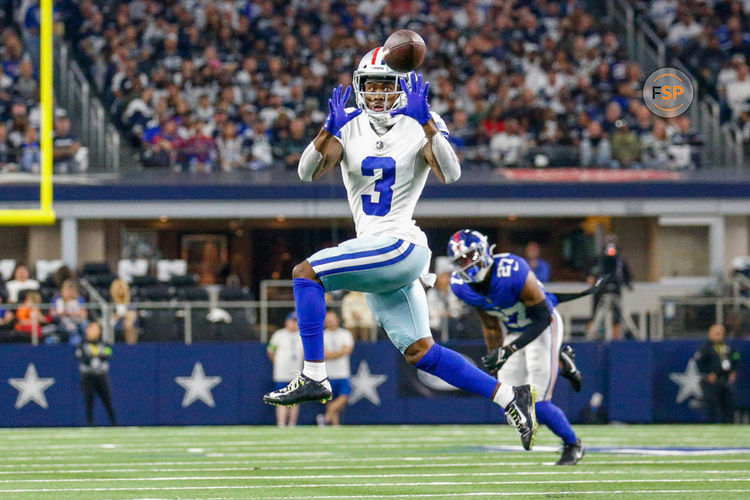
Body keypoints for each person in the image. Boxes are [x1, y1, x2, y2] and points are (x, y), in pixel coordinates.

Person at [263, 48, 538, 450]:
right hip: (376, 252)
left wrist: (427, 122)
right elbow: (306, 173)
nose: (376, 93)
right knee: (421, 352)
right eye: (370, 85)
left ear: (402, 87)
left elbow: (452, 172)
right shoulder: (350, 125)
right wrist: (326, 130)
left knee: (306, 272)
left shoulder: (418, 122)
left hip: (399, 244)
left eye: (386, 84)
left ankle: (315, 374)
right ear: (358, 86)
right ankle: (510, 396)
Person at [447, 229, 584, 465]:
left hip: (544, 327)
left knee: (538, 404)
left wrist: (508, 351)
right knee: (508, 401)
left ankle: (573, 444)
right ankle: (561, 364)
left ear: (485, 251)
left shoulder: (512, 270)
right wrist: (495, 357)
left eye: (471, 256)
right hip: (513, 331)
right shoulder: (461, 285)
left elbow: (542, 317)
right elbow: (490, 324)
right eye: (461, 260)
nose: (468, 264)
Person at [587, 235, 634, 340]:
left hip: (616, 288)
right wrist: (593, 277)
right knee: (595, 313)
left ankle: (615, 338)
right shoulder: (599, 260)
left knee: (617, 314)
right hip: (600, 288)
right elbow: (592, 273)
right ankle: (590, 336)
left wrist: (629, 283)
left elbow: (627, 275)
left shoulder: (620, 261)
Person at [695, 324, 740, 423]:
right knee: (711, 405)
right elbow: (699, 362)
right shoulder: (705, 348)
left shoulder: (727, 346)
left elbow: (736, 356)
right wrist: (708, 373)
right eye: (716, 333)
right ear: (710, 334)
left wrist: (734, 370)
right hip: (711, 381)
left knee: (728, 404)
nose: (719, 336)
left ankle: (728, 425)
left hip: (725, 380)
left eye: (721, 333)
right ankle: (710, 425)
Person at [75, 322, 117, 426]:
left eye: (97, 329)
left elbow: (108, 353)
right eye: (92, 329)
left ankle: (114, 423)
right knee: (89, 401)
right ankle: (90, 424)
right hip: (88, 376)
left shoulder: (103, 343)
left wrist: (96, 358)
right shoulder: (82, 344)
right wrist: (97, 358)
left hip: (101, 375)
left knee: (107, 400)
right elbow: (82, 357)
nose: (94, 331)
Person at [267, 312, 304, 427]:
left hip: (296, 372)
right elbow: (270, 351)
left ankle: (292, 423)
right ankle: (281, 422)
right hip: (281, 373)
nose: (294, 324)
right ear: (286, 322)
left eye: (296, 321)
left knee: (295, 398)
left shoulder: (302, 335)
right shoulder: (279, 335)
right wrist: (278, 363)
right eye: (292, 321)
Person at [318, 310, 354, 426]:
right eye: (328, 321)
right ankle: (334, 426)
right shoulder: (322, 335)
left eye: (332, 320)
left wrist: (331, 354)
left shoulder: (345, 334)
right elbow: (323, 355)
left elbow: (347, 350)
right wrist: (338, 353)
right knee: (330, 401)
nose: (330, 323)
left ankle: (326, 419)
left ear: (337, 320)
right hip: (328, 374)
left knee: (343, 398)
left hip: (343, 373)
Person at [52, 280, 88, 345]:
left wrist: (71, 313)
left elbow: (84, 315)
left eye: (71, 290)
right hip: (63, 322)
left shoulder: (79, 300)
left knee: (85, 325)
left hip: (78, 320)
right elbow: (54, 314)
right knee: (72, 328)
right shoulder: (58, 300)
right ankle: (74, 344)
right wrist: (64, 313)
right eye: (67, 290)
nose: (69, 293)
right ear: (63, 291)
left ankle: (86, 343)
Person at [109, 279, 139, 344]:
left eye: (122, 288)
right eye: (118, 289)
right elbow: (109, 318)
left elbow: (133, 316)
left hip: (128, 325)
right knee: (129, 321)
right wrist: (121, 315)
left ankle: (131, 346)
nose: (120, 291)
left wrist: (121, 315)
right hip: (114, 324)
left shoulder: (130, 305)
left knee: (129, 324)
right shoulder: (110, 304)